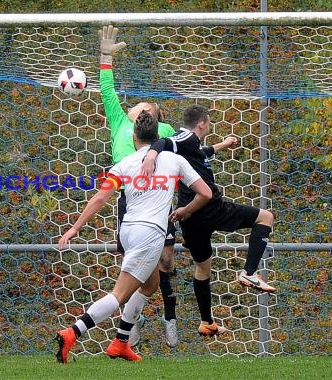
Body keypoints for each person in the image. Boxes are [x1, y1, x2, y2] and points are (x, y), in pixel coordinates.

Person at [55, 111, 212, 364]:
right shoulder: (174, 160)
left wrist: (75, 228)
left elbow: (100, 198)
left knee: (150, 285)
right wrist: (183, 210)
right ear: (157, 136)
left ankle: (121, 341)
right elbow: (205, 193)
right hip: (150, 234)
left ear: (135, 138)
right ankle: (72, 332)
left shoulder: (125, 164)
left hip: (127, 230)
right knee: (120, 295)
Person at [140, 104, 276, 338]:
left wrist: (223, 144)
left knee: (203, 267)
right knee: (266, 217)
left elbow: (201, 153)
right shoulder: (185, 136)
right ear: (202, 123)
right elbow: (164, 142)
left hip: (190, 219)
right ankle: (249, 272)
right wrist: (151, 155)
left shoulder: (192, 146)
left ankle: (207, 322)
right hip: (210, 208)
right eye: (209, 122)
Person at [98, 24, 179, 347]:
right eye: (139, 108)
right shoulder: (119, 123)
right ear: (129, 115)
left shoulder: (166, 131)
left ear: (156, 120)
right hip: (129, 201)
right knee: (133, 267)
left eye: (150, 110)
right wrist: (105, 58)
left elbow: (182, 153)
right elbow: (107, 91)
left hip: (159, 201)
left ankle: (169, 313)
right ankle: (131, 320)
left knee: (166, 261)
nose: (143, 110)